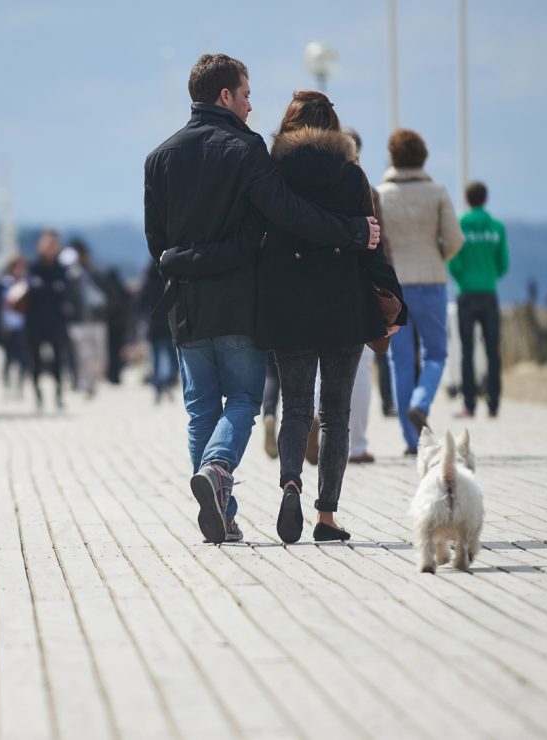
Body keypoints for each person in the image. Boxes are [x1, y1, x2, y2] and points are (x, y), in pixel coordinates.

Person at [144, 54, 381, 545]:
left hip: (185, 306)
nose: (252, 106)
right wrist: (354, 231)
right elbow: (288, 214)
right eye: (247, 94)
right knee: (246, 400)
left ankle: (224, 515)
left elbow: (156, 242)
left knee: (200, 410)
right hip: (235, 300)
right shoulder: (246, 149)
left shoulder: (159, 157)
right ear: (225, 96)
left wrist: (184, 263)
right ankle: (217, 469)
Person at [255, 91, 406, 544]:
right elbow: (372, 245)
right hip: (344, 305)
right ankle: (326, 517)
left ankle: (289, 484)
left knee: (295, 407)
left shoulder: (272, 173)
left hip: (290, 308)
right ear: (334, 127)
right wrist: (393, 300)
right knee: (335, 414)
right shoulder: (351, 175)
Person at [376, 130, 465, 453]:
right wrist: (434, 256)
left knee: (399, 361)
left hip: (394, 284)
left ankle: (411, 441)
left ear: (392, 157)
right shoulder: (437, 192)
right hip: (430, 281)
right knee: (437, 353)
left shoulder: (381, 193)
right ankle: (421, 400)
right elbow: (455, 239)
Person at [342, 127, 387, 464]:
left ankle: (315, 419)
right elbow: (381, 249)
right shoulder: (370, 191)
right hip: (362, 289)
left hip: (320, 290)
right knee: (361, 370)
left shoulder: (312, 187)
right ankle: (357, 444)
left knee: (317, 366)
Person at [450, 180, 509, 418]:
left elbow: (453, 260)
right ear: (486, 199)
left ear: (466, 199)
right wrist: (489, 276)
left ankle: (469, 404)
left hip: (466, 293)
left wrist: (463, 278)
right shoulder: (497, 227)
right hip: (489, 293)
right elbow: (503, 263)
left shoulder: (460, 224)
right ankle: (494, 403)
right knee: (493, 350)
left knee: (467, 350)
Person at [26, 230, 72, 411]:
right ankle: (38, 395)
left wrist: (44, 288)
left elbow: (65, 292)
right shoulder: (33, 267)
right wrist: (51, 289)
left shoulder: (62, 269)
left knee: (59, 360)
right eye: (47, 245)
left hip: (56, 320)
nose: (50, 248)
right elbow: (32, 289)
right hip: (35, 321)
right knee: (35, 360)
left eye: (54, 245)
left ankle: (59, 395)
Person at [66, 239, 108, 399]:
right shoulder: (71, 275)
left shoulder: (96, 272)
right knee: (83, 355)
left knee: (99, 356)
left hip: (98, 319)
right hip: (79, 321)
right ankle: (85, 385)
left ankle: (94, 382)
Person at [138, 262, 177, 403]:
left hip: (153, 326)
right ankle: (167, 379)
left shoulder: (147, 284)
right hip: (168, 326)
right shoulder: (166, 282)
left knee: (155, 360)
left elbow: (140, 305)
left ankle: (157, 385)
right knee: (173, 358)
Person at [0, 256, 30, 396]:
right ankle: (7, 385)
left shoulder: (28, 283)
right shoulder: (4, 284)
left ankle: (20, 385)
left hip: (23, 325)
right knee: (8, 356)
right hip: (8, 324)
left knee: (23, 356)